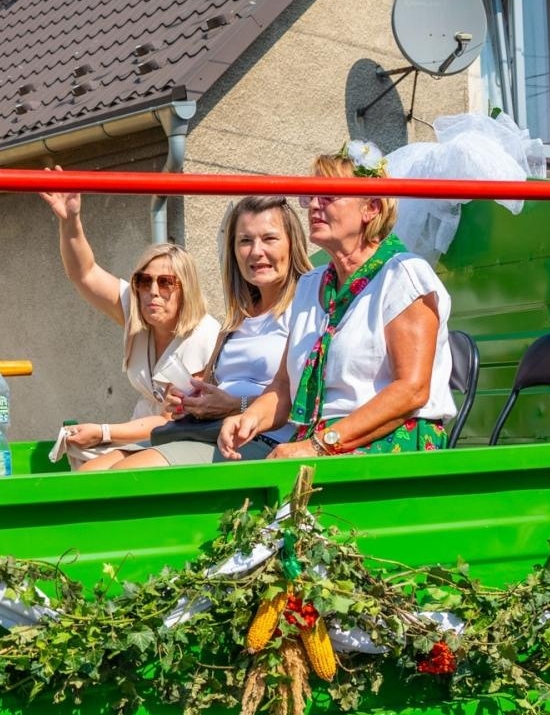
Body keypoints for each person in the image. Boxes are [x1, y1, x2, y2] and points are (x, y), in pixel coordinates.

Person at [219, 141, 455, 461]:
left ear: (370, 208)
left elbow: (411, 391)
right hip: (323, 444)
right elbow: (285, 384)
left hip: (391, 444)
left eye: (328, 194)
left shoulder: (403, 276)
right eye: (311, 195)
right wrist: (250, 419)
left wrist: (318, 445)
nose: (314, 205)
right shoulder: (309, 285)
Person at [109, 194, 312, 469]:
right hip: (208, 433)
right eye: (245, 240)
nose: (256, 251)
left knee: (123, 473)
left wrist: (235, 405)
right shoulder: (235, 321)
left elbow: (309, 399)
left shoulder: (307, 306)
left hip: (262, 441)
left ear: (292, 243)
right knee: (91, 472)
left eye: (269, 239)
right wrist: (188, 399)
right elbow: (214, 391)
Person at [40, 179, 220, 470]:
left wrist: (103, 432)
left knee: (105, 477)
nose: (153, 291)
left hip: (185, 439)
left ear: (186, 288)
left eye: (166, 283)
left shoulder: (205, 337)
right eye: (143, 280)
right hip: (146, 434)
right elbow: (84, 273)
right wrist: (70, 220)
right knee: (83, 477)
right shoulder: (137, 310)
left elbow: (168, 420)